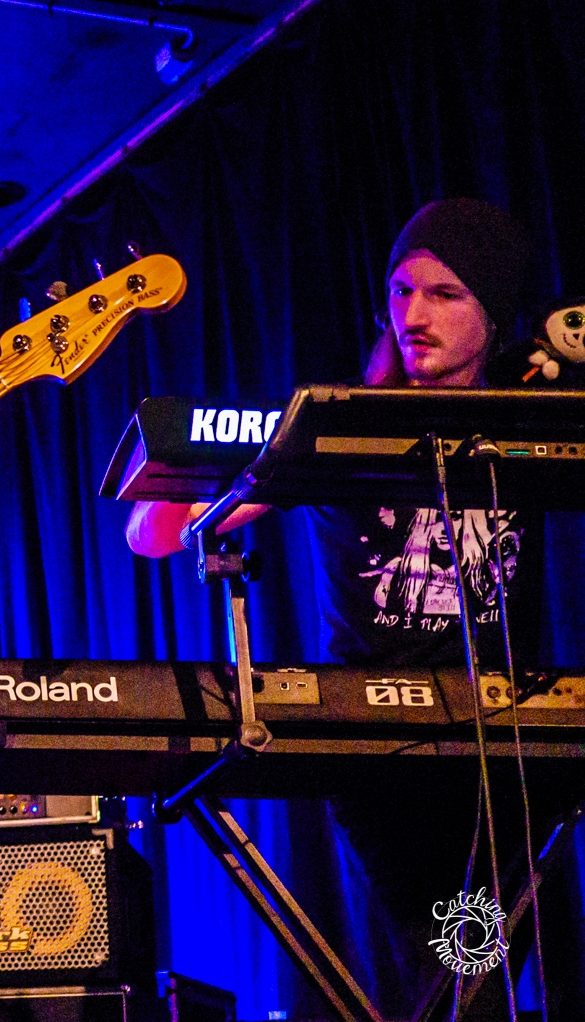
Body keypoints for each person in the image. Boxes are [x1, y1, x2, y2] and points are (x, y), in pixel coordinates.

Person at [127, 199, 580, 1017]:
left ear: (491, 312)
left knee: (477, 971)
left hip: (508, 739)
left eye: (444, 294)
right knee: (455, 959)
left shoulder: (525, 415)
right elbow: (155, 534)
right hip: (380, 745)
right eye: (402, 292)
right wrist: (206, 460)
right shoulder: (341, 423)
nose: (414, 315)